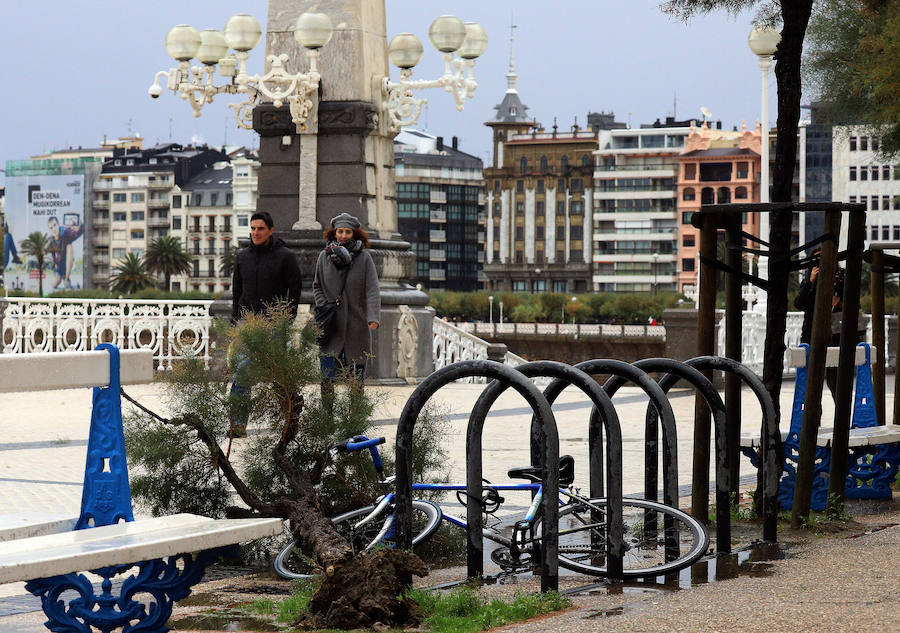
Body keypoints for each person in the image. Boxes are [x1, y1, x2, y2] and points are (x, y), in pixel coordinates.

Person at [229, 211, 303, 437]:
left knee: (278, 377)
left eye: (260, 228)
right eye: (252, 228)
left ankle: (290, 419)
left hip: (274, 326)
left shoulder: (286, 257)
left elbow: (295, 290)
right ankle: (237, 425)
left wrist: (286, 319)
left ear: (270, 230)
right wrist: (236, 321)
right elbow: (237, 291)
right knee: (241, 373)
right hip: (247, 325)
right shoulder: (242, 257)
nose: (255, 233)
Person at [313, 213, 380, 396]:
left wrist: (373, 317)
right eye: (340, 231)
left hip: (356, 326)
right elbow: (317, 286)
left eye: (347, 232)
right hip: (330, 325)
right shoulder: (323, 257)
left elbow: (372, 290)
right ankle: (327, 420)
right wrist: (324, 305)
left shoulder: (364, 258)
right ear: (334, 233)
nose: (343, 235)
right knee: (326, 381)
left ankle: (354, 419)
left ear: (354, 234)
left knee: (356, 383)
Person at [794, 248, 850, 400]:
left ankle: (841, 417)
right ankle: (813, 419)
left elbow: (854, 304)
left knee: (835, 379)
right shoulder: (809, 278)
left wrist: (840, 303)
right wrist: (810, 280)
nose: (819, 262)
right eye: (816, 259)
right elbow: (799, 303)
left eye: (822, 258)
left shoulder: (841, 276)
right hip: (811, 332)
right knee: (812, 378)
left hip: (835, 334)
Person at [48, 215, 83, 289]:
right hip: (60, 262)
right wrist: (56, 265)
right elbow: (53, 256)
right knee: (56, 283)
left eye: (55, 225)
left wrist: (79, 225)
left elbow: (77, 233)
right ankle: (63, 278)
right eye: (51, 228)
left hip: (68, 259)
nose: (54, 229)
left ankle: (66, 278)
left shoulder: (65, 232)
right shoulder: (51, 241)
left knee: (69, 246)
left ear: (58, 224)